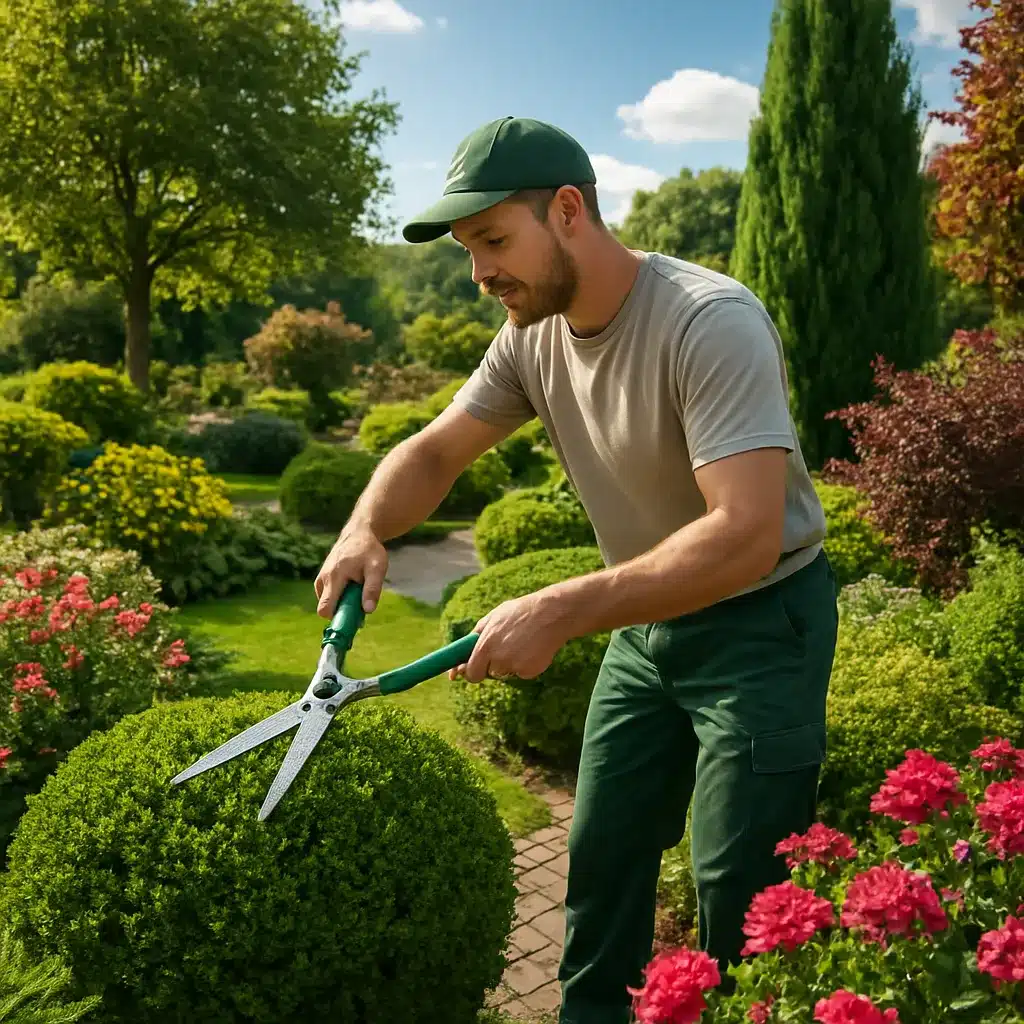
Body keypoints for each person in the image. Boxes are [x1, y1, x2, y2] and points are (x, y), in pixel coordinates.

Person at [313, 115, 839, 1024]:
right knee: (599, 869)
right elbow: (437, 452)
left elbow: (746, 534)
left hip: (763, 626)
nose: (479, 275)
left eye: (492, 241)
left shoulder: (707, 320)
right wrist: (365, 525)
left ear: (567, 211)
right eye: (468, 251)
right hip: (644, 630)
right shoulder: (529, 335)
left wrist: (559, 606)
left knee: (740, 892)